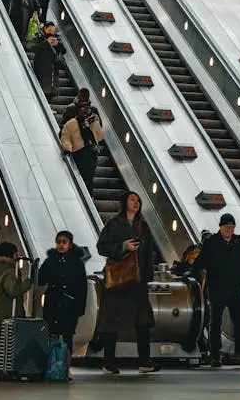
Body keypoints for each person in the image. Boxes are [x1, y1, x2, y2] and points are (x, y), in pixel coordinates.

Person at [95, 191, 161, 375]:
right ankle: (108, 362)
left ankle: (144, 361)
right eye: (132, 199)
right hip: (118, 280)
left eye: (138, 200)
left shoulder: (143, 226)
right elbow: (102, 247)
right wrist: (123, 247)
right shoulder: (114, 224)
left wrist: (148, 276)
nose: (136, 202)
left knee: (143, 320)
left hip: (138, 281)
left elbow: (149, 254)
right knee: (112, 320)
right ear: (124, 202)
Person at [192, 213, 240, 367]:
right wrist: (190, 271)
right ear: (220, 227)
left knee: (239, 321)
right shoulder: (212, 242)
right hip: (217, 288)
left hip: (235, 288)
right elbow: (200, 261)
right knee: (215, 321)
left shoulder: (239, 242)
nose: (229, 230)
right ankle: (215, 354)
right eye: (226, 227)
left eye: (232, 227)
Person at [37, 230, 89, 348]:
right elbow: (41, 279)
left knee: (67, 335)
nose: (61, 245)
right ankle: (52, 362)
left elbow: (82, 287)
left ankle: (64, 363)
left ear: (70, 245)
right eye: (59, 242)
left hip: (69, 305)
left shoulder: (77, 263)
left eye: (64, 242)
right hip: (53, 303)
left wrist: (79, 308)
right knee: (51, 334)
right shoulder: (50, 261)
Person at [0, 242, 33, 335]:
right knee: (9, 346)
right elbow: (14, 290)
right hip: (8, 317)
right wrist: (28, 282)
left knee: (0, 345)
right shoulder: (9, 271)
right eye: (16, 254)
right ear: (10, 255)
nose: (17, 258)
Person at [60, 102, 103, 191]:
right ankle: (86, 192)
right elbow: (65, 137)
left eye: (87, 110)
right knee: (84, 176)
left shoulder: (91, 122)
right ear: (78, 111)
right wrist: (67, 148)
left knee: (89, 177)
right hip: (79, 152)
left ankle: (89, 194)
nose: (85, 112)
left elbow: (100, 137)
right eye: (83, 110)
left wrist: (94, 123)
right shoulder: (71, 124)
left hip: (92, 153)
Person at [32, 21, 64, 101]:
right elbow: (33, 48)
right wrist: (47, 43)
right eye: (49, 30)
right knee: (41, 89)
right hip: (41, 68)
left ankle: (49, 105)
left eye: (52, 31)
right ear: (45, 28)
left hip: (52, 69)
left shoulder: (56, 37)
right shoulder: (39, 36)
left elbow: (63, 50)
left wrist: (57, 44)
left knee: (50, 91)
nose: (51, 33)